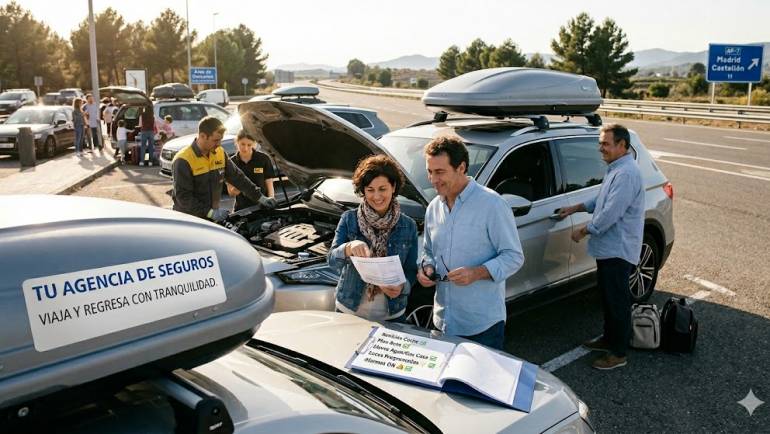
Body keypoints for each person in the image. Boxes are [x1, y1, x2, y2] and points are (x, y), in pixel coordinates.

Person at [416, 135, 524, 350]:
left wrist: (477, 273)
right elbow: (428, 250)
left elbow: (514, 257)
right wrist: (426, 267)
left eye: (439, 172)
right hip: (442, 321)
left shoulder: (492, 204)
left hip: (481, 326)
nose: (433, 179)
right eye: (430, 171)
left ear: (461, 167)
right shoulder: (434, 207)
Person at [557, 124, 645, 370]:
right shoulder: (616, 169)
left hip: (618, 248)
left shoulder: (626, 174)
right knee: (608, 297)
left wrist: (583, 231)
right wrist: (576, 207)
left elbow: (609, 214)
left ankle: (618, 353)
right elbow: (601, 200)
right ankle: (608, 338)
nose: (600, 148)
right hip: (609, 248)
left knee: (617, 301)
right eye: (601, 143)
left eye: (606, 144)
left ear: (622, 146)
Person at [328, 155, 418, 322]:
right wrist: (348, 247)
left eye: (382, 189)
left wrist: (402, 286)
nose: (376, 196)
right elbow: (332, 260)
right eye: (370, 190)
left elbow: (411, 270)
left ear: (393, 187)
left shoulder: (409, 226)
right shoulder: (349, 219)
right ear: (363, 191)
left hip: (392, 314)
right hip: (349, 310)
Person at [172, 116, 276, 222]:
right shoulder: (183, 160)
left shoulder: (219, 153)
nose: (219, 144)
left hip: (212, 218)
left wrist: (260, 197)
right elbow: (184, 197)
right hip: (189, 220)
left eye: (220, 140)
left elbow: (238, 177)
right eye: (215, 140)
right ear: (202, 136)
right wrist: (210, 213)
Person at [226, 130, 277, 212]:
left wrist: (271, 200)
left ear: (254, 144)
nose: (245, 148)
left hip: (263, 206)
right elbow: (231, 192)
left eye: (249, 145)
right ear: (237, 142)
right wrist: (237, 188)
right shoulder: (231, 163)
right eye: (242, 144)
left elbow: (269, 183)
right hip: (242, 209)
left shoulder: (263, 159)